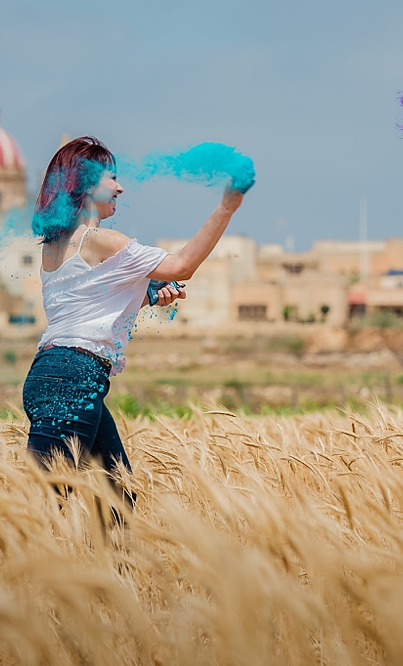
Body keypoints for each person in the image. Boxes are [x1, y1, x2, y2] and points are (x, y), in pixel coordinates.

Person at [22, 136, 249, 506]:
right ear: (86, 183)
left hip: (51, 371)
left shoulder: (54, 245)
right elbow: (182, 266)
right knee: (40, 507)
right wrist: (227, 207)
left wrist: (147, 296)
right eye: (112, 178)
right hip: (75, 377)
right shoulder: (103, 240)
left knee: (117, 497)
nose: (120, 187)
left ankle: (117, 567)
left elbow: (90, 307)